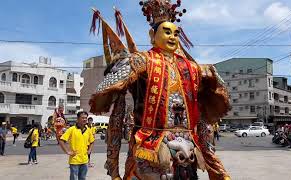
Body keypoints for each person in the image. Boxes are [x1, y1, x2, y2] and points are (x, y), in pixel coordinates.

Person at [89, 1, 231, 179]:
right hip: (149, 145)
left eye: (176, 33)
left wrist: (214, 165)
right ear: (152, 35)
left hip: (187, 147)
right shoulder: (142, 61)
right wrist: (113, 166)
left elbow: (202, 114)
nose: (172, 37)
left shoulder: (192, 69)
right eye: (167, 31)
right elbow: (116, 111)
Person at [59, 111, 95, 180]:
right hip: (74, 160)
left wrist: (89, 150)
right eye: (82, 118)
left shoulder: (88, 130)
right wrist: (68, 152)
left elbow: (92, 141)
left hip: (84, 160)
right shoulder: (72, 129)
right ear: (78, 119)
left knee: (83, 178)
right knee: (74, 178)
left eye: (86, 118)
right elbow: (61, 140)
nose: (84, 119)